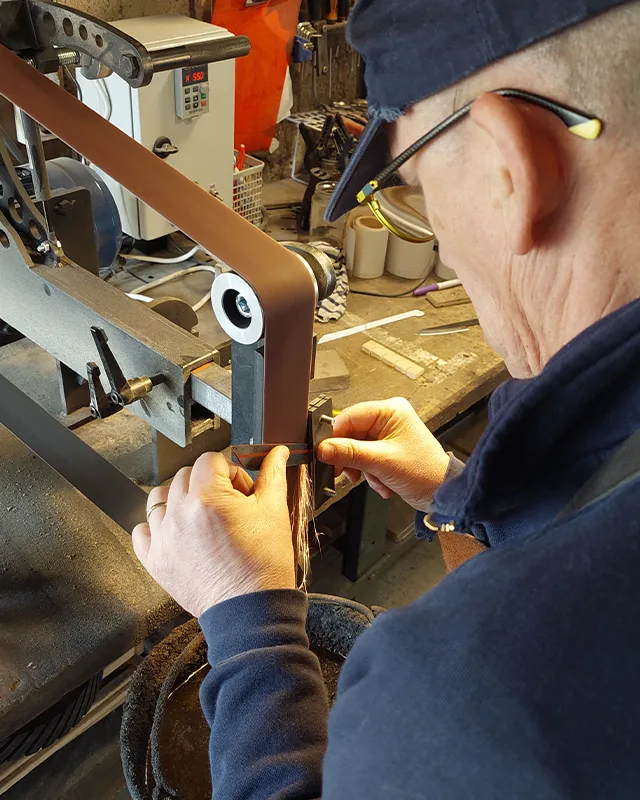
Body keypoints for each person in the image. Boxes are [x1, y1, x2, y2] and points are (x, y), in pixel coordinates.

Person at [132, 0, 640, 796]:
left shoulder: (474, 701)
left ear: (510, 169)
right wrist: (459, 495)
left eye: (418, 190)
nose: (443, 244)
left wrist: (247, 620)